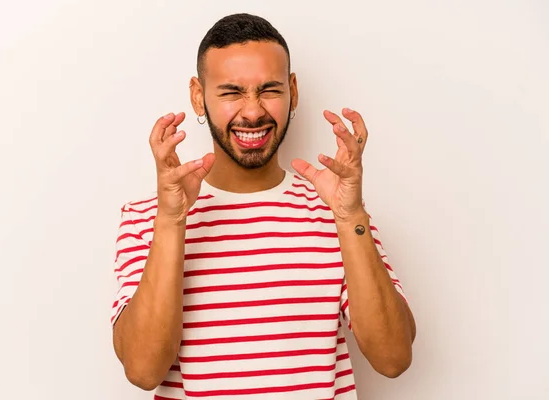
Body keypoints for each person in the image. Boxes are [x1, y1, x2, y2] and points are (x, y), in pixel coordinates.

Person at [110, 13, 416, 399]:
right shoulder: (145, 220)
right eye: (231, 92)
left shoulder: (337, 212)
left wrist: (350, 217)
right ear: (198, 96)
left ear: (293, 91)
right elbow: (142, 369)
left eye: (269, 90)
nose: (252, 111)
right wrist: (171, 222)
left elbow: (393, 359)